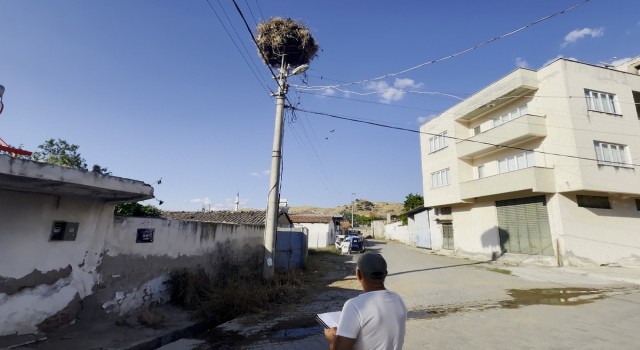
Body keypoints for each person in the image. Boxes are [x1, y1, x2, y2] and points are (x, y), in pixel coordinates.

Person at [324, 252, 407, 350]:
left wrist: (332, 338)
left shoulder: (354, 305)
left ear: (358, 274)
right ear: (385, 274)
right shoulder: (398, 300)